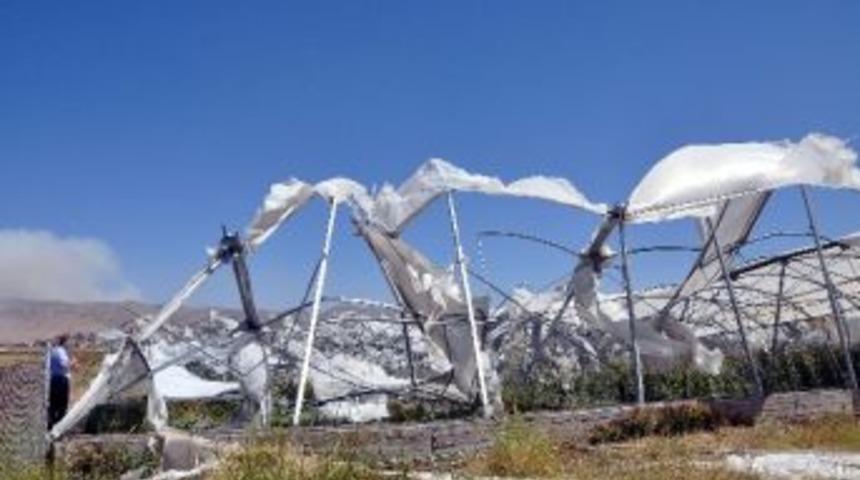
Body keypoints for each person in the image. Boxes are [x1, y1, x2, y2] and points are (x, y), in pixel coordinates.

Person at [48, 334, 72, 428]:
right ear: (65, 342)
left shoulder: (52, 351)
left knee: (53, 404)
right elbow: (64, 364)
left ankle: (51, 424)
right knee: (62, 405)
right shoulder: (61, 351)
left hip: (52, 379)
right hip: (61, 380)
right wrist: (72, 363)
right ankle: (59, 426)